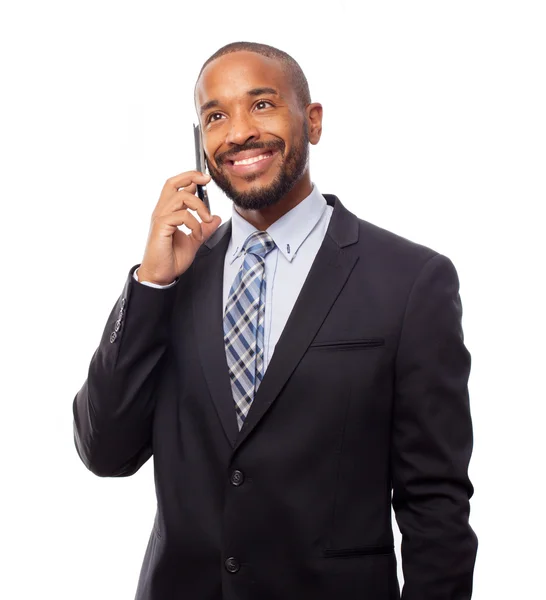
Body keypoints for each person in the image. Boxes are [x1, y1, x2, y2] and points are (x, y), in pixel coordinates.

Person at [73, 41, 478, 600]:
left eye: (261, 105)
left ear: (312, 122)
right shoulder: (172, 279)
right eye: (216, 116)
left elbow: (436, 506)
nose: (237, 132)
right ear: (201, 142)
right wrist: (151, 283)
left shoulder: (411, 281)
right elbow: (105, 450)